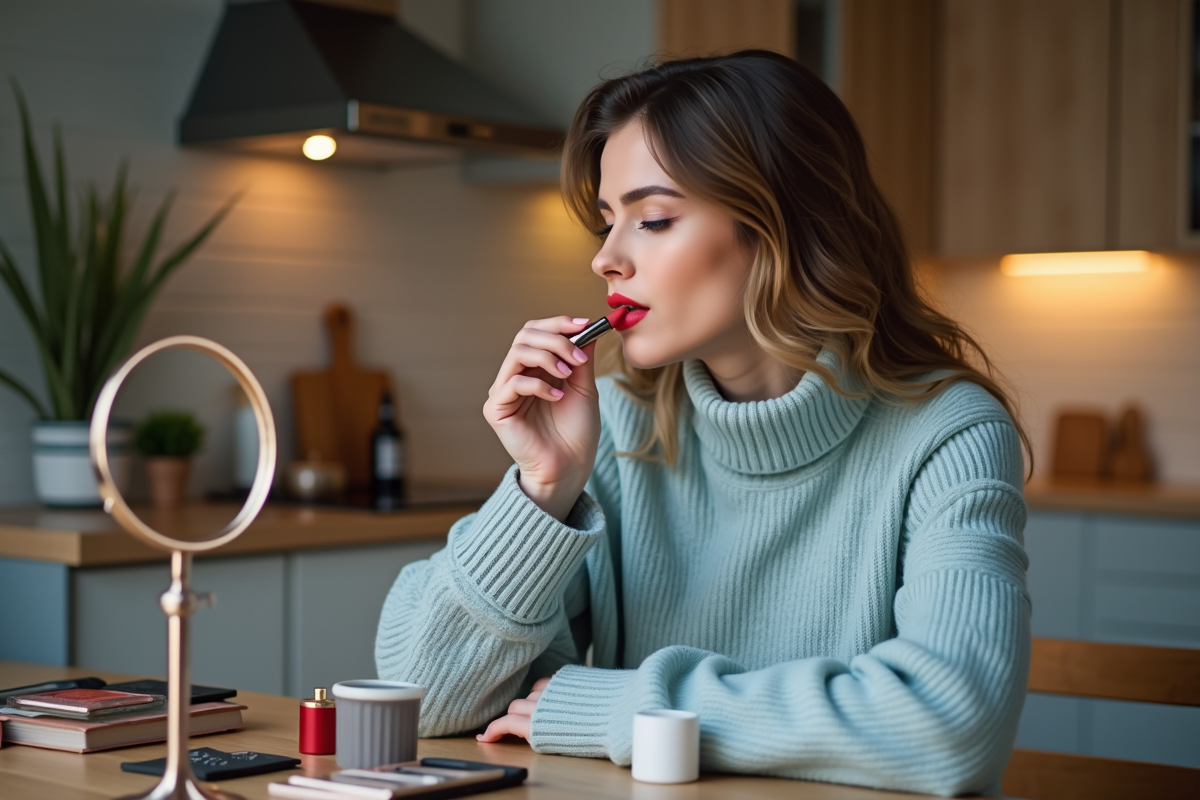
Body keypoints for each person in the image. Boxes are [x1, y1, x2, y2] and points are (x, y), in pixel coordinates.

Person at [376, 50, 1030, 797]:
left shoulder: (946, 431)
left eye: (652, 218)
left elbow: (951, 726)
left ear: (784, 223)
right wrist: (543, 488)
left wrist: (624, 705)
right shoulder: (619, 430)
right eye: (606, 222)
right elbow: (422, 695)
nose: (606, 259)